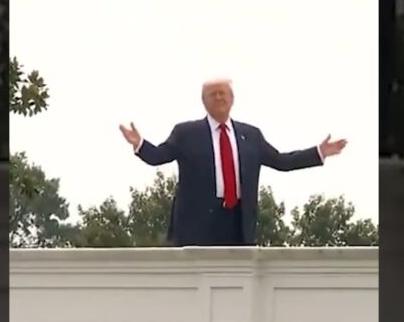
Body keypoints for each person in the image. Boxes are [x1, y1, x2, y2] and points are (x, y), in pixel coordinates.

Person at [119, 79, 346, 246]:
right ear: (204, 101)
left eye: (223, 93)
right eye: (213, 94)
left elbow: (281, 161)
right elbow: (159, 156)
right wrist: (139, 144)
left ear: (232, 99)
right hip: (198, 223)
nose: (218, 98)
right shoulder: (186, 133)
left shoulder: (251, 135)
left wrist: (318, 153)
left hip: (238, 221)